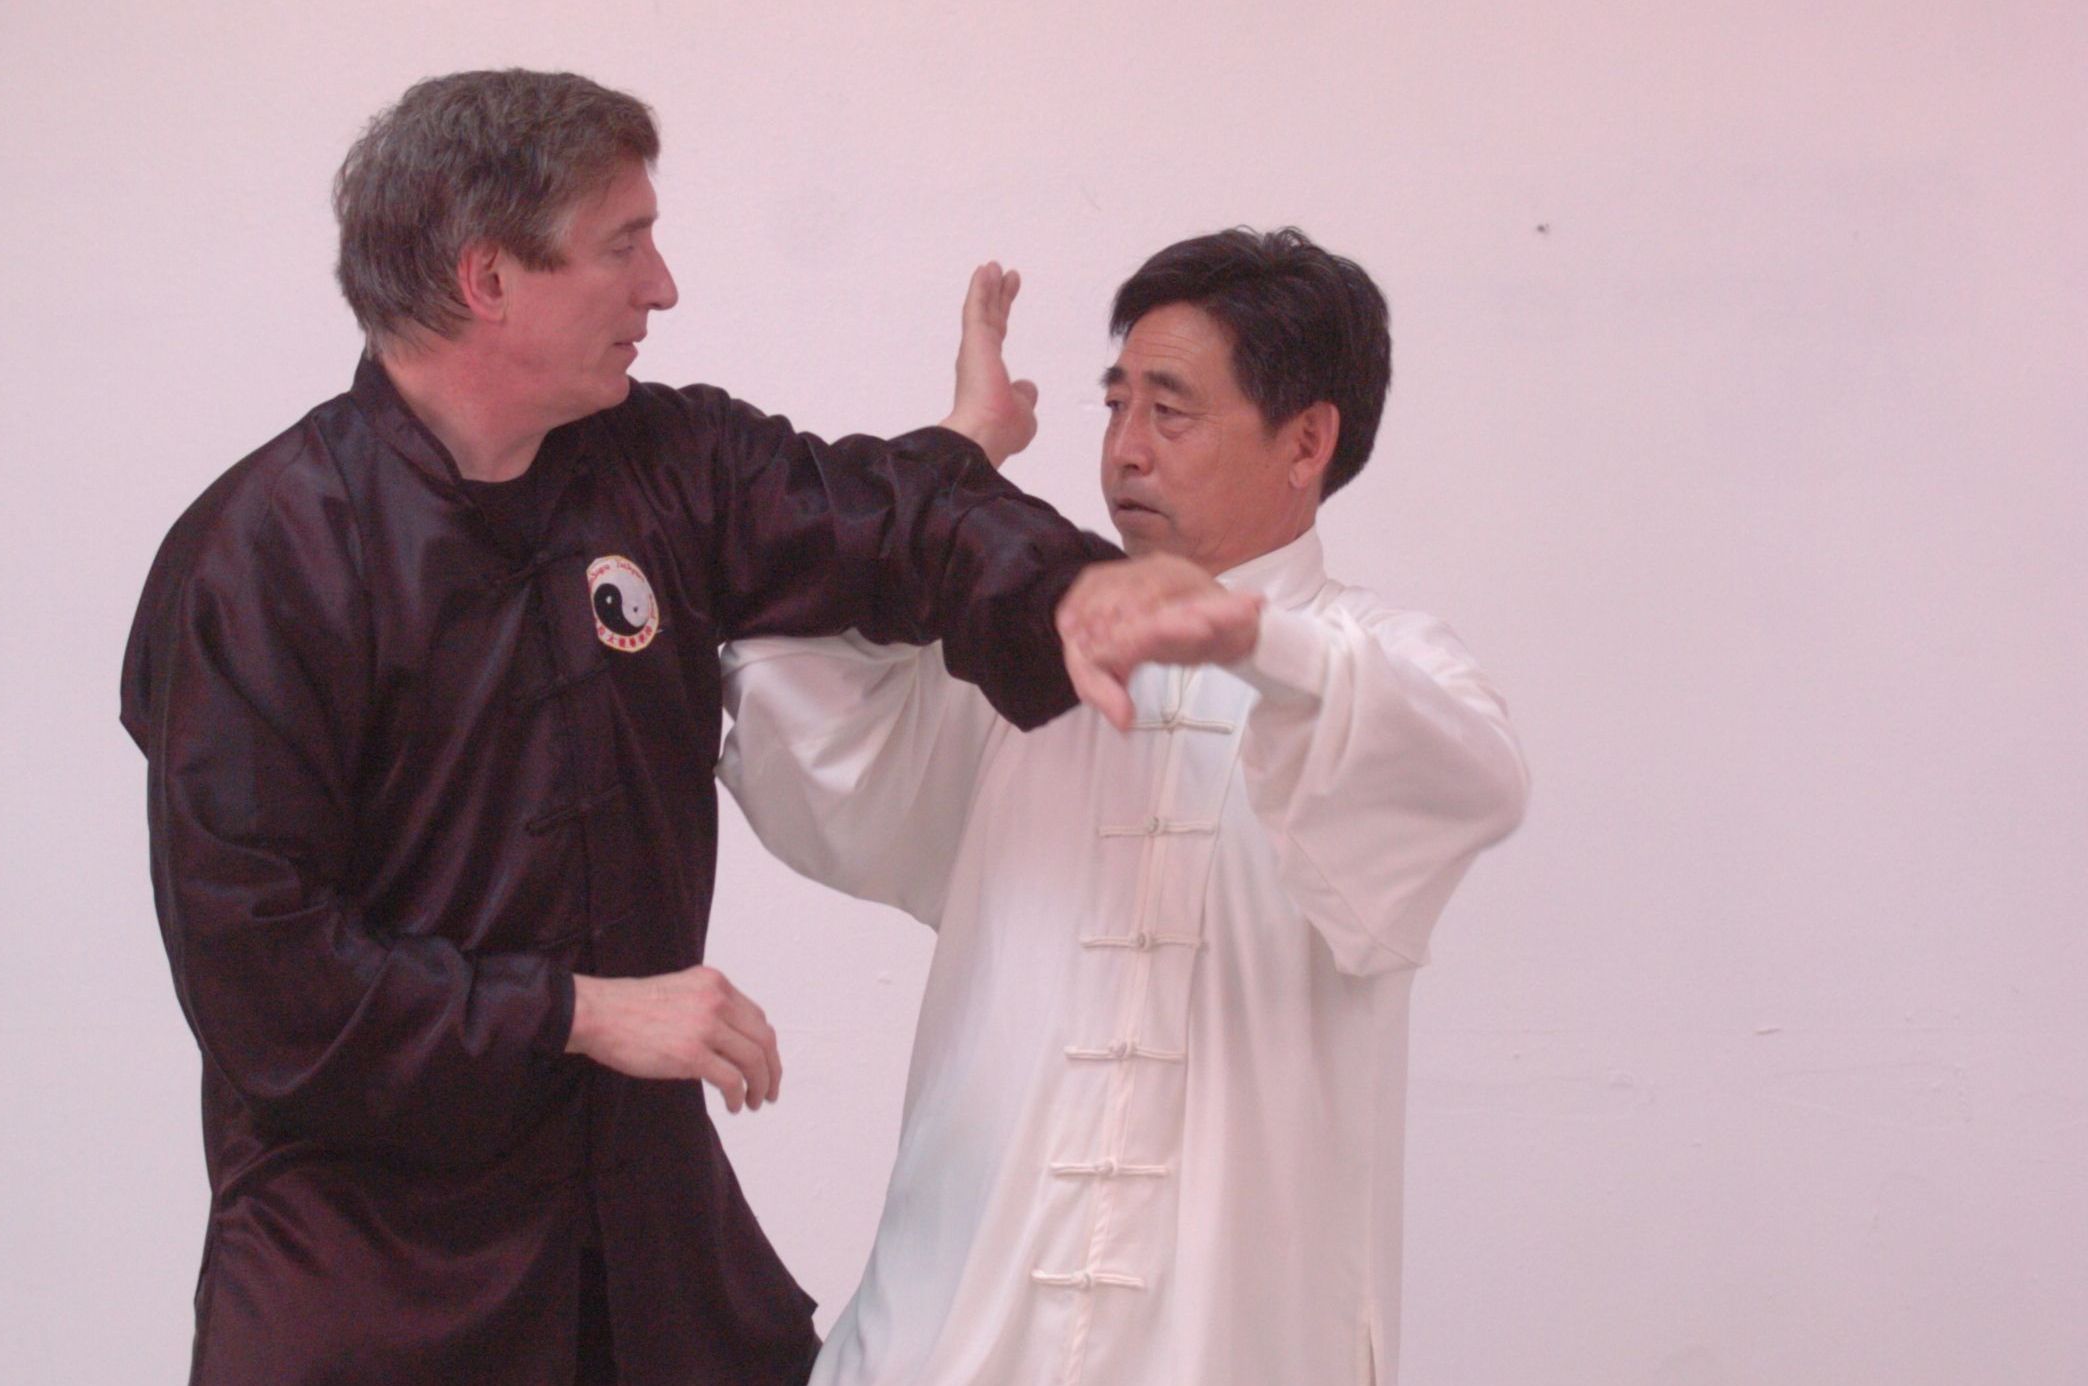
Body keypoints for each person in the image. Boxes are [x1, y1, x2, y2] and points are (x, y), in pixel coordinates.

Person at [118, 69, 1117, 1385]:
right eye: (623, 244)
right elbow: (268, 981)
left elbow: (882, 520)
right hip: (376, 1278)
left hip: (643, 1253)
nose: (663, 288)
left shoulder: (661, 463)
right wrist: (577, 1012)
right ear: (489, 279)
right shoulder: (266, 557)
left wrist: (1081, 591)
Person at [719, 228, 1531, 1386]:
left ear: (1306, 441)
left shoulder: (1372, 662)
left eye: (1170, 411)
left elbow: (1469, 772)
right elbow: (787, 671)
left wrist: (1249, 639)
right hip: (955, 1338)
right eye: (1114, 406)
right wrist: (957, 457)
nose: (1125, 450)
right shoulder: (1020, 644)